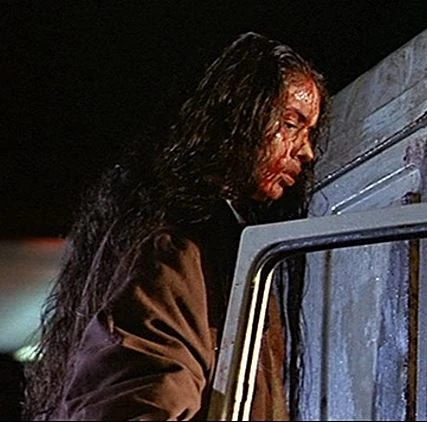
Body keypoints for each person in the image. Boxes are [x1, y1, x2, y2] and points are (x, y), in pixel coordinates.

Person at [22, 31, 329, 421]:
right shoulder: (177, 247)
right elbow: (139, 400)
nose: (307, 151)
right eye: (290, 124)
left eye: (309, 132)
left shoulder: (211, 243)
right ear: (235, 118)